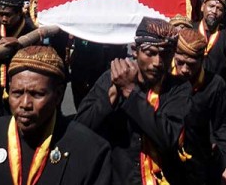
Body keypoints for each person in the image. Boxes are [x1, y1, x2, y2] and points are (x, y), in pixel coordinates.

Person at [0, 46, 111, 184]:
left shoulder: (89, 151)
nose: (25, 104)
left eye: (37, 94)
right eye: (17, 93)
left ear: (58, 95)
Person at [76, 17, 190, 185]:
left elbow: (168, 138)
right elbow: (81, 129)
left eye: (165, 55)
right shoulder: (110, 79)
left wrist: (130, 91)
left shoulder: (178, 88)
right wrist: (112, 96)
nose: (157, 62)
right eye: (150, 53)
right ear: (135, 51)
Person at [167, 28, 226, 185]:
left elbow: (222, 126)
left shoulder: (215, 85)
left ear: (202, 59)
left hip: (199, 163)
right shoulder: (164, 79)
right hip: (165, 164)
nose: (184, 70)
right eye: (180, 63)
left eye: (191, 64)